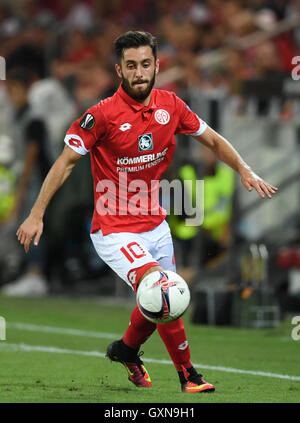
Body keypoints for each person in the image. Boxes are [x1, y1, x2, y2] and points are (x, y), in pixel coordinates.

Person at [16, 31, 277, 393]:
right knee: (161, 286)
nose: (139, 72)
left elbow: (214, 139)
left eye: (145, 64)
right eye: (131, 66)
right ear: (119, 70)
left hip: (156, 224)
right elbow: (65, 163)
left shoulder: (172, 106)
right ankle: (189, 375)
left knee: (162, 302)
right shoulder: (101, 115)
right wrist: (36, 213)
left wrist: (245, 170)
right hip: (114, 229)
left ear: (156, 65)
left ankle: (126, 350)